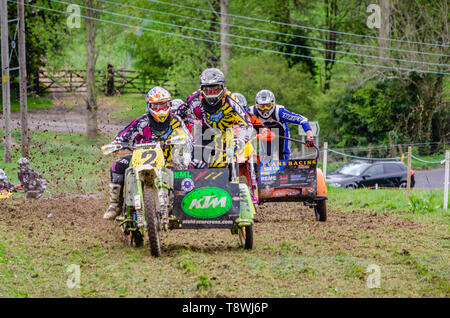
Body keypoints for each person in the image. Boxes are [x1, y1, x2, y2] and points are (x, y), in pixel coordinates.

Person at [104, 86, 192, 220]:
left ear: (169, 105)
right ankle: (115, 205)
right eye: (156, 107)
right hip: (139, 160)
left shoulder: (176, 121)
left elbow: (186, 136)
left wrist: (183, 140)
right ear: (149, 106)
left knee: (181, 172)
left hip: (167, 160)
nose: (160, 110)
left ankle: (177, 205)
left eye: (163, 105)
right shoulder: (142, 122)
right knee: (118, 166)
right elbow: (124, 134)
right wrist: (118, 143)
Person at [177, 68, 253, 168]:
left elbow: (247, 125)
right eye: (207, 89)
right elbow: (178, 116)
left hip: (225, 135)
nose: (211, 92)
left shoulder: (231, 101)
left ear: (223, 88)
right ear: (201, 88)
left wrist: (239, 143)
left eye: (216, 88)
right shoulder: (194, 99)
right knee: (196, 164)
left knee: (223, 169)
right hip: (203, 134)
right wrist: (184, 136)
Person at [247, 89, 314, 160]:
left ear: (273, 104)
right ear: (257, 105)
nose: (265, 109)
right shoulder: (251, 112)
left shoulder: (279, 112)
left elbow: (303, 120)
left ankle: (286, 168)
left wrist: (310, 137)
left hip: (281, 132)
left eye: (268, 106)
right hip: (264, 133)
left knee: (284, 156)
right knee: (266, 157)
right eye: (262, 106)